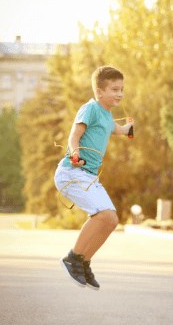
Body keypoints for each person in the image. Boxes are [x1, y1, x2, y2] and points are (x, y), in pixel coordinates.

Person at [54, 65, 134, 290]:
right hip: (72, 172)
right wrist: (75, 152)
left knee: (111, 220)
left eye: (122, 89)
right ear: (99, 92)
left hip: (88, 177)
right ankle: (73, 257)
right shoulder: (90, 109)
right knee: (102, 215)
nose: (120, 93)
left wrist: (128, 128)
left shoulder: (107, 117)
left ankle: (84, 261)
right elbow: (74, 135)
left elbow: (118, 130)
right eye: (115, 89)